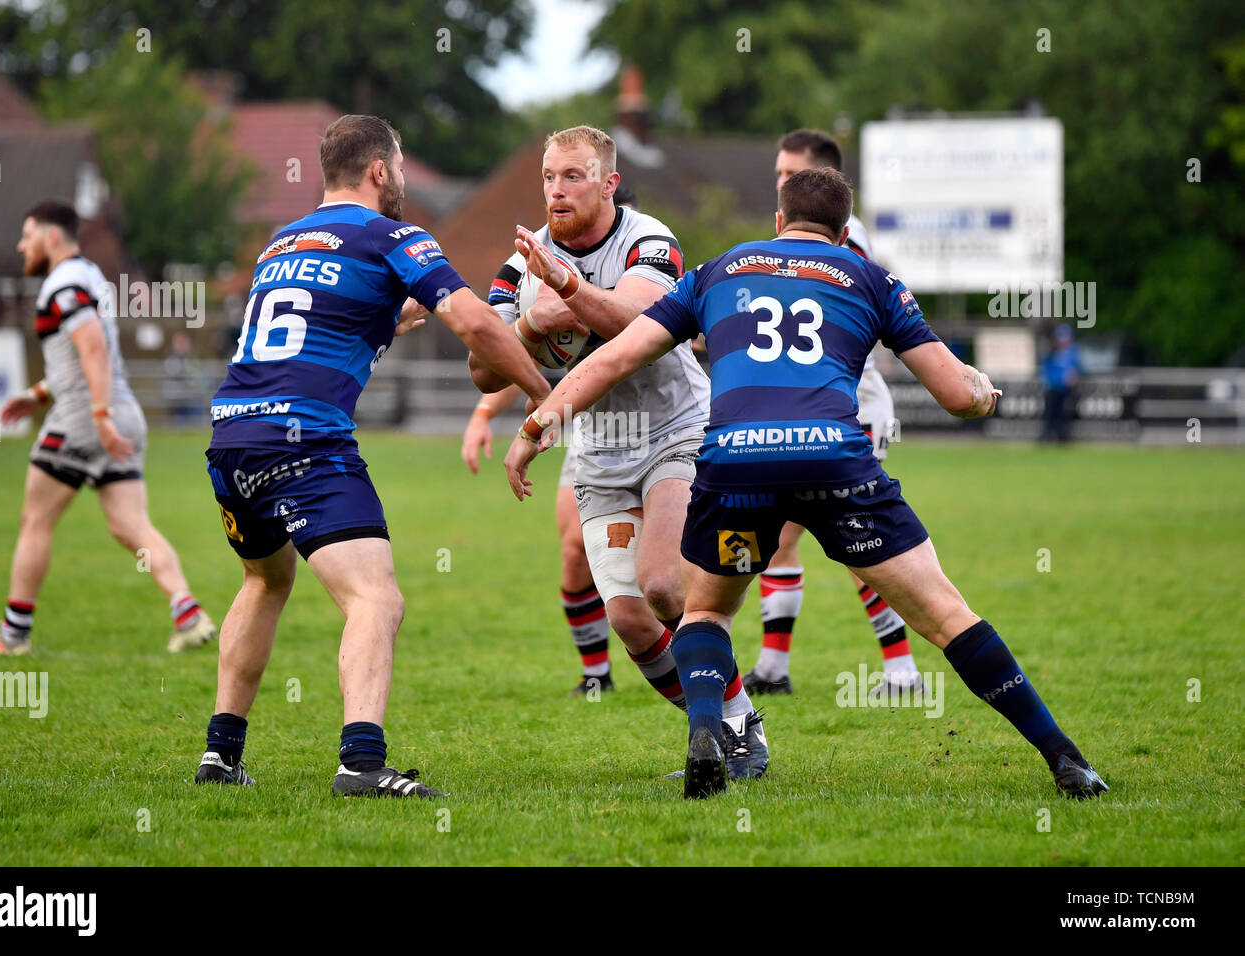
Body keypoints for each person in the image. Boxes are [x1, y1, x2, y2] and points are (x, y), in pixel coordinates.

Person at [504, 167, 1107, 801]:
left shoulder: (718, 271)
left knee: (705, 610)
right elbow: (956, 395)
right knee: (947, 616)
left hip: (737, 458)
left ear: (776, 221)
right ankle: (1063, 755)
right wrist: (983, 395)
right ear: (846, 234)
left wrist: (539, 421)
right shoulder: (871, 278)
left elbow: (619, 354)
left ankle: (708, 732)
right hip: (833, 460)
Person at [194, 115, 552, 797]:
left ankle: (221, 755)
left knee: (264, 582)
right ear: (380, 171)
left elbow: (305, 326)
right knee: (375, 598)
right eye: (403, 168)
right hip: (303, 441)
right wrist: (544, 393)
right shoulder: (395, 236)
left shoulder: (282, 241)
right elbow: (476, 322)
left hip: (233, 434)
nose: (406, 182)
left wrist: (386, 317)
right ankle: (361, 764)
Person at [472, 126, 768, 777]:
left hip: (675, 432)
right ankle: (739, 725)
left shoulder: (649, 240)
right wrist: (527, 323)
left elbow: (640, 328)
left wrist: (570, 294)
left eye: (573, 175)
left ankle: (714, 746)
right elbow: (483, 370)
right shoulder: (521, 265)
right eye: (549, 176)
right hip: (600, 452)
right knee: (632, 621)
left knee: (664, 583)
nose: (557, 189)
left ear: (608, 182)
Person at [0, 200, 216, 657]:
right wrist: (37, 395)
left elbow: (92, 350)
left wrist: (97, 417)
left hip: (85, 418)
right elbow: (80, 360)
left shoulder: (62, 282)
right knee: (130, 525)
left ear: (52, 237)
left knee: (34, 521)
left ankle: (13, 635)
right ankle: (188, 612)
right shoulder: (90, 276)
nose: (21, 246)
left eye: (28, 235)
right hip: (123, 413)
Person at [744, 129, 921, 698]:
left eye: (789, 175)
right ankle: (773, 668)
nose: (779, 185)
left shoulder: (847, 240)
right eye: (776, 175)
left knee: (858, 543)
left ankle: (900, 669)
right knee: (785, 539)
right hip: (816, 412)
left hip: (853, 411)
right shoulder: (802, 242)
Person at [459, 183, 642, 696]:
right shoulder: (533, 267)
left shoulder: (642, 263)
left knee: (663, 577)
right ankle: (596, 675)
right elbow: (505, 360)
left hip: (659, 428)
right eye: (549, 180)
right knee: (574, 552)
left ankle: (698, 668)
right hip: (584, 427)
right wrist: (484, 412)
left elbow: (636, 346)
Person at [1041, 324, 1082, 443]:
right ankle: (1047, 437)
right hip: (1053, 390)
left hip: (1067, 391)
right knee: (1050, 414)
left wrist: (1075, 376)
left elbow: (1080, 370)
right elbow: (1046, 371)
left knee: (1064, 415)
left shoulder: (1073, 354)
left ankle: (1063, 437)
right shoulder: (1051, 354)